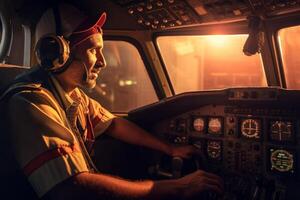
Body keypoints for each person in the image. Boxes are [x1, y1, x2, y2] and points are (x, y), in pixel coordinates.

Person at [0, 3, 223, 199]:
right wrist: (177, 188)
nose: (102, 62)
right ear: (59, 53)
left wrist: (169, 148)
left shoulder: (73, 96)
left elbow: (114, 124)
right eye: (94, 50)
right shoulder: (31, 102)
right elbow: (71, 190)